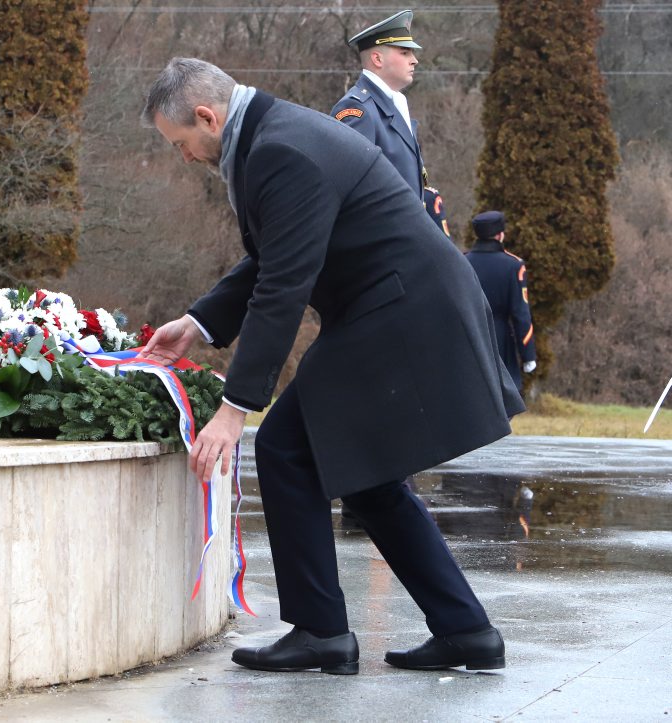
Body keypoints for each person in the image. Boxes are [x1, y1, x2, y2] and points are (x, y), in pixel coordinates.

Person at [139, 57, 524, 675]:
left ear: (207, 117)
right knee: (367, 477)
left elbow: (284, 285)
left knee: (289, 447)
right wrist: (199, 323)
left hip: (402, 309)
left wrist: (235, 409)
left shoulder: (279, 150)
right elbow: (278, 255)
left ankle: (321, 633)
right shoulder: (275, 134)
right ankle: (465, 631)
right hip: (399, 306)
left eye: (181, 143)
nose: (184, 157)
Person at [330, 9, 424, 201]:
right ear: (377, 59)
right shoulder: (357, 111)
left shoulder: (394, 103)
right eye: (405, 52)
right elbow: (352, 189)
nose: (414, 60)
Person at [465, 211, 537, 392]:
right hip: (500, 337)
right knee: (502, 397)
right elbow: (520, 313)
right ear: (500, 235)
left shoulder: (463, 261)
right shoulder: (513, 265)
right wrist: (528, 354)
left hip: (468, 335)